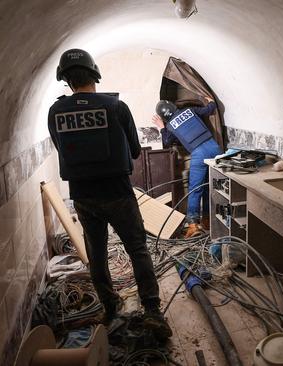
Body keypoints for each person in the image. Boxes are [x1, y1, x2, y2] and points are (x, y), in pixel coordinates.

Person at [48, 48, 172, 338]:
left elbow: (61, 148)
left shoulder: (56, 111)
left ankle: (110, 308)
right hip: (117, 193)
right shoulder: (116, 108)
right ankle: (152, 311)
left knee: (97, 253)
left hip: (84, 197)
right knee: (137, 249)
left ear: (66, 80)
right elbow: (134, 150)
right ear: (95, 75)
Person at [152, 97, 222, 237]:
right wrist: (210, 101)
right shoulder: (189, 110)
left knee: (195, 190)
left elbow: (166, 141)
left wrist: (161, 128)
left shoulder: (170, 126)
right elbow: (209, 109)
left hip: (199, 153)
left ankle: (193, 225)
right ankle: (208, 220)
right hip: (215, 148)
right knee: (210, 186)